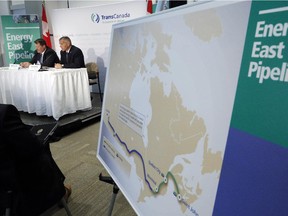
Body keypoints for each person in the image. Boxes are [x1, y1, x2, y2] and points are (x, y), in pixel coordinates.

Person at [0, 104, 71, 216]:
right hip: (14, 187)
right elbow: (31, 147)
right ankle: (59, 188)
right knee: (42, 147)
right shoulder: (5, 113)